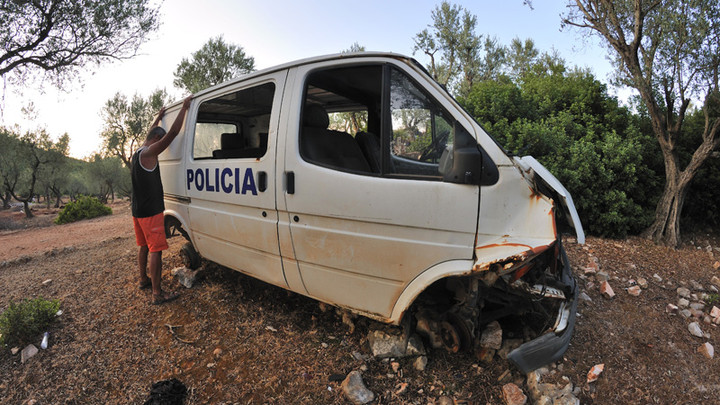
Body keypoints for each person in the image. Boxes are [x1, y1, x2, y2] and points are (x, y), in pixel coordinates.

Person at [132, 96, 192, 305]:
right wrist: (184, 108)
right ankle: (157, 293)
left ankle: (143, 280)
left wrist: (158, 118)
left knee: (144, 246)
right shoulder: (150, 153)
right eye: (160, 143)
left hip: (137, 210)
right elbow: (173, 134)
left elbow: (153, 133)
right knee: (155, 250)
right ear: (157, 140)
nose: (162, 148)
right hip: (151, 211)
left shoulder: (138, 151)